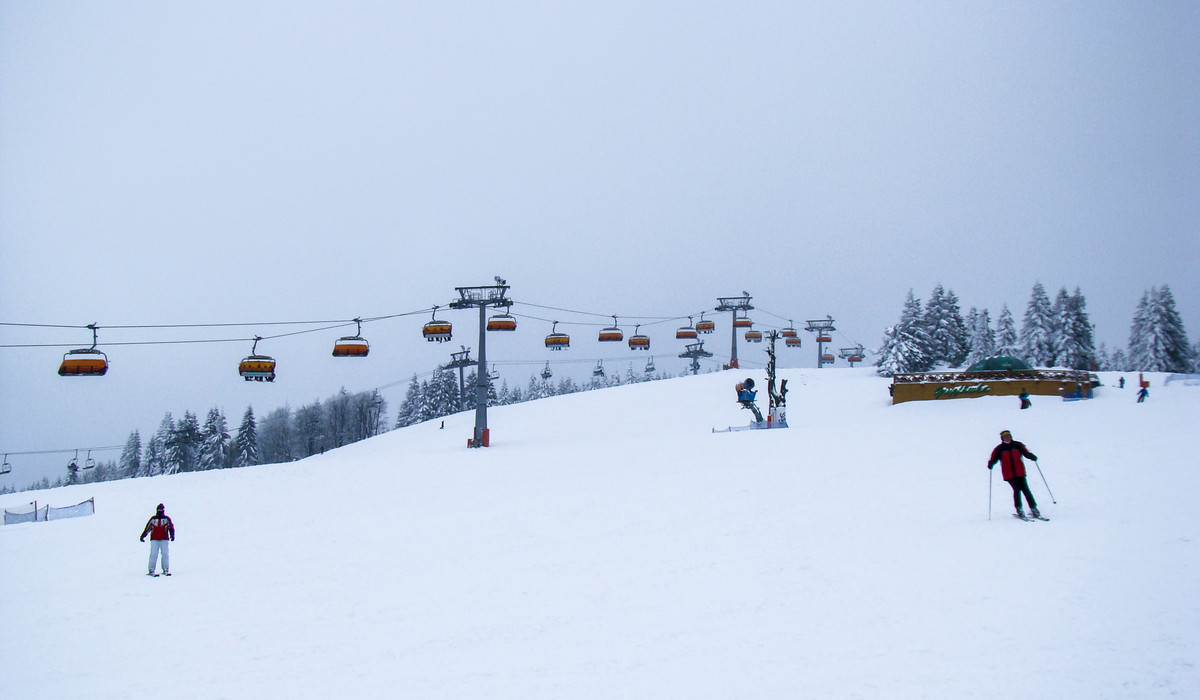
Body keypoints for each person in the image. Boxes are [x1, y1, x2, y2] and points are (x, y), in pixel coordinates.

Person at [987, 430, 1040, 519]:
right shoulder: (999, 449)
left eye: (1008, 436)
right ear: (1002, 438)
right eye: (1005, 437)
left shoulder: (1018, 445)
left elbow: (1026, 453)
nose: (1007, 438)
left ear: (1010, 436)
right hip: (1009, 474)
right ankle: (1019, 509)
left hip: (1020, 472)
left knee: (1026, 490)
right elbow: (994, 458)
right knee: (1017, 489)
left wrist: (1032, 456)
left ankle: (1033, 508)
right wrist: (991, 463)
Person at [140, 503, 175, 576]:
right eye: (159, 509)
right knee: (153, 554)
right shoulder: (153, 519)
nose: (160, 511)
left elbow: (171, 527)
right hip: (154, 539)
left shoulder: (166, 519)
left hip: (164, 539)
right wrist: (143, 536)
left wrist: (172, 535)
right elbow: (148, 528)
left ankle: (165, 569)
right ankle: (151, 569)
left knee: (165, 554)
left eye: (161, 510)